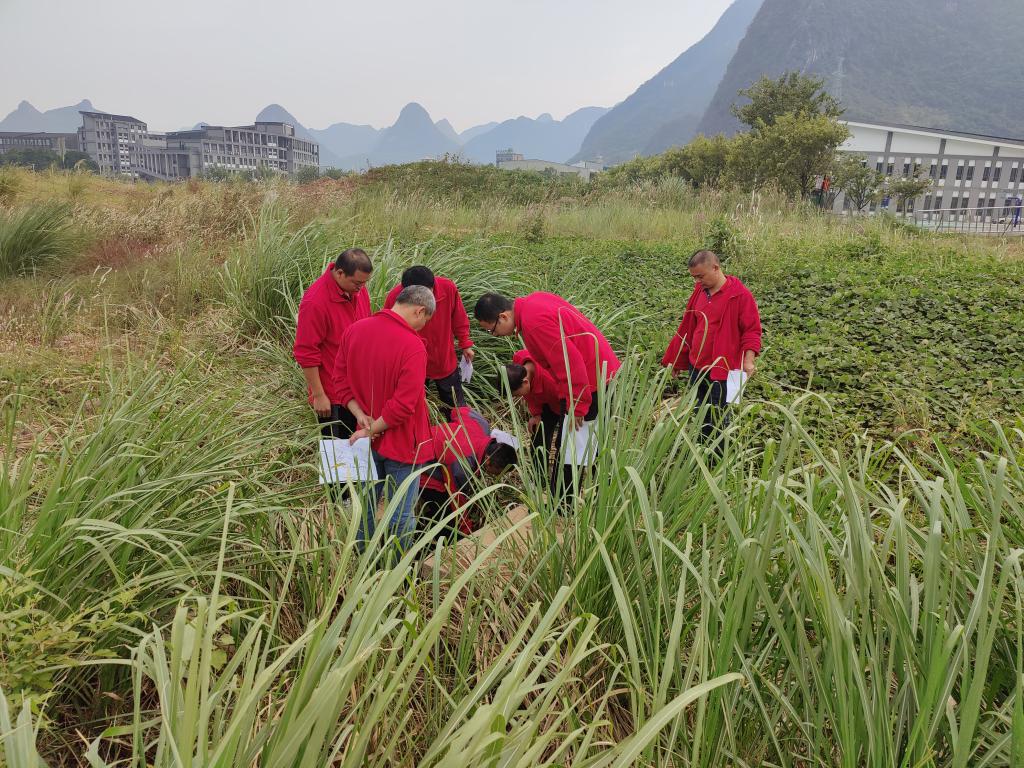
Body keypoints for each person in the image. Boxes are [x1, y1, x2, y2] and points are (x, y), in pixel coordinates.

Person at [475, 291, 620, 501]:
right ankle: (601, 491)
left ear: (504, 317)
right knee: (586, 440)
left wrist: (577, 406)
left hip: (591, 381)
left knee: (571, 448)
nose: (495, 335)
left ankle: (563, 508)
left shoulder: (534, 324)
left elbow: (570, 362)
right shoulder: (533, 303)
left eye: (492, 330)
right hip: (595, 374)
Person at [335, 285, 436, 555]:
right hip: (403, 443)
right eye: (425, 321)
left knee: (365, 505)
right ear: (420, 310)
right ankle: (397, 573)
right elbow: (404, 405)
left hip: (364, 438)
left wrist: (361, 419)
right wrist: (374, 429)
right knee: (400, 513)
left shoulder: (355, 330)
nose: (422, 327)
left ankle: (360, 562)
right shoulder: (412, 345)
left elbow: (340, 382)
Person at [661, 250, 762, 444]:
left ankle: (717, 456)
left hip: (722, 369)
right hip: (696, 365)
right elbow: (687, 327)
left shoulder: (740, 296)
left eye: (701, 276)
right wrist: (675, 360)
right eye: (694, 277)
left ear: (715, 268)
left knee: (718, 413)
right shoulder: (700, 291)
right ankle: (701, 446)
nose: (697, 282)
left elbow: (752, 331)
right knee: (700, 407)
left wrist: (748, 361)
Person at [292, 248, 372, 438]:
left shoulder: (356, 289)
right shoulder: (315, 302)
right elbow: (306, 352)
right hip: (333, 395)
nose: (361, 288)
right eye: (357, 283)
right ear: (340, 273)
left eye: (364, 283)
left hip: (357, 386)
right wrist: (319, 395)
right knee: (338, 449)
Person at [419, 406, 518, 538]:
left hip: (425, 437)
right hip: (418, 465)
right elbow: (455, 498)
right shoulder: (463, 465)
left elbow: (459, 410)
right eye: (496, 472)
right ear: (488, 461)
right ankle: (429, 535)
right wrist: (466, 532)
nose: (496, 476)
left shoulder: (482, 425)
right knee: (445, 512)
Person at [383, 266, 474, 408]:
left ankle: (462, 429)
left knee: (456, 406)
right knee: (414, 406)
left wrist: (465, 343)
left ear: (433, 286)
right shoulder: (395, 298)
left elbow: (458, 317)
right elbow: (390, 330)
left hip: (443, 358)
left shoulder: (447, 288)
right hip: (413, 361)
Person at [498, 350, 563, 482]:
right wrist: (536, 414)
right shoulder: (520, 361)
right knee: (539, 437)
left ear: (525, 382)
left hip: (563, 401)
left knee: (561, 442)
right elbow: (529, 393)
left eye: (516, 394)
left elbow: (565, 403)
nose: (518, 397)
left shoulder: (550, 382)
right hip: (544, 399)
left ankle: (559, 481)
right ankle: (539, 478)